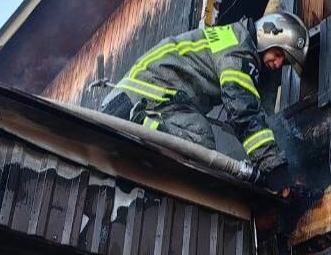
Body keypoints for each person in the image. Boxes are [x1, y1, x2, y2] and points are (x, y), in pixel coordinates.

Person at [100, 12, 309, 186]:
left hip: (144, 94)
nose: (279, 63)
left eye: (285, 62)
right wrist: (274, 168)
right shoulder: (239, 52)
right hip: (149, 97)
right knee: (199, 140)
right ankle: (142, 124)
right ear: (269, 33)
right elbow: (243, 110)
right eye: (279, 53)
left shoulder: (234, 37)